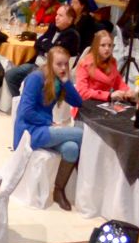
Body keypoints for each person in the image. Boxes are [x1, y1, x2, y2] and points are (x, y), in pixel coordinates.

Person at [13, 46, 85, 210]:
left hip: (44, 128)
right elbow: (26, 112)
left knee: (72, 148)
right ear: (49, 63)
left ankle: (59, 191)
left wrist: (66, 81)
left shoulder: (59, 79)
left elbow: (78, 102)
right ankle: (87, 177)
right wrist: (48, 123)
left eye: (66, 64)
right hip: (30, 130)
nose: (63, 68)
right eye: (59, 64)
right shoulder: (36, 78)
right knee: (80, 134)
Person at [74, 31, 130, 103]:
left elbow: (119, 83)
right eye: (103, 45)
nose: (107, 48)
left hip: (104, 102)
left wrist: (128, 92)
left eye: (110, 45)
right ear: (96, 46)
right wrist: (109, 95)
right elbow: (82, 92)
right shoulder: (85, 63)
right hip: (87, 103)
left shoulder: (112, 63)